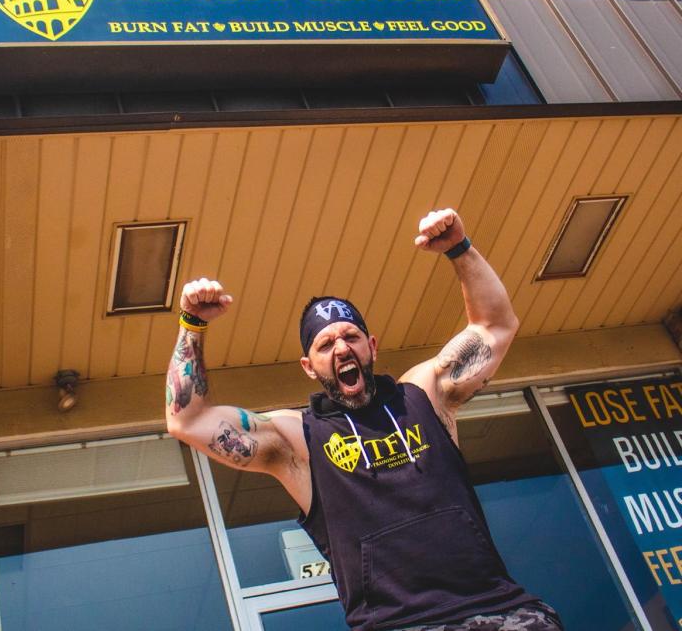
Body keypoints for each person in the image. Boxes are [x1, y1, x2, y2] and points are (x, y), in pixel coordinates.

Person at [165, 209, 563, 631]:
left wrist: (459, 249)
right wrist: (192, 325)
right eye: (326, 343)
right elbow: (189, 421)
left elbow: (496, 326)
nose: (341, 347)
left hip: (501, 610)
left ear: (371, 346)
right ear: (308, 366)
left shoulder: (425, 395)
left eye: (350, 336)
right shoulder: (296, 439)